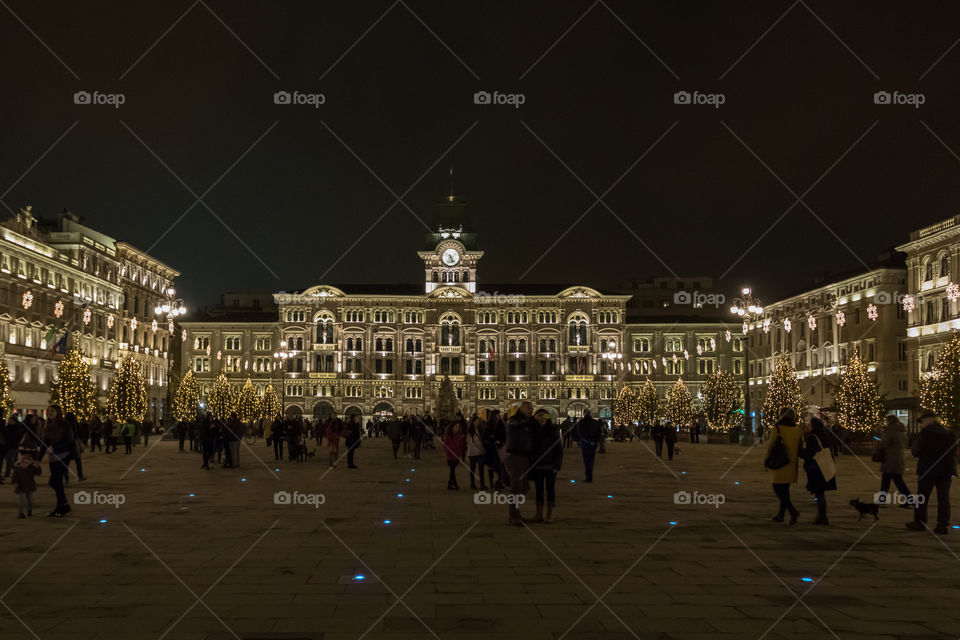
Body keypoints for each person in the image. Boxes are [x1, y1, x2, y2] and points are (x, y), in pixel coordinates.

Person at [907, 411, 957, 534]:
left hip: (928, 469)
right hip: (946, 470)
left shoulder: (925, 434)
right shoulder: (950, 434)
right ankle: (942, 525)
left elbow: (915, 451)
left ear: (926, 421)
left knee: (922, 497)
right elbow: (954, 452)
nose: (920, 425)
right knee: (943, 498)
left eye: (921, 422)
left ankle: (919, 522)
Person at [766, 408, 803, 524]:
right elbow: (800, 448)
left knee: (777, 488)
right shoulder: (798, 430)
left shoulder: (777, 429)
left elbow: (770, 446)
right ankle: (781, 515)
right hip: (791, 464)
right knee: (785, 490)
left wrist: (766, 461)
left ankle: (792, 511)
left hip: (779, 463)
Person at [800, 416, 837, 525]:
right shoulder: (825, 436)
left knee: (819, 494)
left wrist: (800, 451)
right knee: (820, 493)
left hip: (816, 468)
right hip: (825, 467)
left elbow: (808, 454)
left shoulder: (812, 437)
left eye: (809, 424)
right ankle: (822, 516)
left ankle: (822, 517)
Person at [505, 401, 536, 525]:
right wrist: (532, 420)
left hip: (524, 456)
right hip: (515, 456)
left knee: (522, 488)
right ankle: (513, 516)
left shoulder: (527, 422)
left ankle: (516, 513)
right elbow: (516, 424)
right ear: (522, 408)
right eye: (529, 408)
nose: (531, 410)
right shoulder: (514, 420)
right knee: (515, 487)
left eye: (532, 408)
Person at [39, 405, 73, 517]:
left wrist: (54, 447)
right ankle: (63, 505)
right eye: (48, 411)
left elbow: (69, 440)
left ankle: (62, 506)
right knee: (55, 482)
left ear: (58, 412)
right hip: (53, 458)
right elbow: (44, 444)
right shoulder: (47, 425)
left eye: (52, 411)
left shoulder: (65, 424)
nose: (50, 413)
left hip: (63, 456)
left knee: (55, 482)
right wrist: (38, 459)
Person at [530, 409, 562, 523]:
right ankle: (539, 514)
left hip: (550, 465)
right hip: (537, 465)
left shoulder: (553, 430)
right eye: (540, 416)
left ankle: (549, 515)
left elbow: (559, 449)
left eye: (544, 416)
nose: (542, 418)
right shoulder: (533, 430)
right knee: (538, 490)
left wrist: (557, 466)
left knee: (550, 489)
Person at [877, 415, 913, 508]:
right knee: (895, 480)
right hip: (899, 458)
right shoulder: (902, 432)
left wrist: (879, 443)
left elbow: (884, 444)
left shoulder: (890, 431)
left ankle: (882, 500)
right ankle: (909, 499)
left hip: (890, 459)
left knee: (888, 481)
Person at [12, 442, 41, 518]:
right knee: (22, 501)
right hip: (21, 487)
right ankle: (21, 513)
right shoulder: (18, 469)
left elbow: (38, 472)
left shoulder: (31, 469)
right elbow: (14, 477)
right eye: (23, 462)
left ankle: (29, 510)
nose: (24, 464)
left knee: (30, 501)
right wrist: (14, 481)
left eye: (27, 462)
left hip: (30, 487)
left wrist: (36, 466)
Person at [577, 410, 602, 482]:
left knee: (586, 461)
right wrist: (594, 441)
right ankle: (590, 477)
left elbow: (581, 433)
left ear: (584, 414)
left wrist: (587, 441)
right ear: (591, 414)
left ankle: (588, 477)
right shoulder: (595, 422)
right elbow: (599, 433)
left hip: (585, 445)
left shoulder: (582, 422)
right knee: (591, 461)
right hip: (593, 445)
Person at [484, 410, 505, 490]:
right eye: (497, 414)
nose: (499, 416)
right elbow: (486, 436)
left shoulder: (501, 424)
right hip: (491, 448)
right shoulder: (489, 425)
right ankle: (491, 482)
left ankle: (500, 482)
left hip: (499, 448)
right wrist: (492, 439)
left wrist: (501, 441)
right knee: (491, 466)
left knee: (500, 467)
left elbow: (504, 435)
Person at [443, 419, 466, 490]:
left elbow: (461, 446)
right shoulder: (448, 435)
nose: (457, 428)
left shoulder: (460, 435)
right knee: (452, 469)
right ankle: (454, 483)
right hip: (450, 455)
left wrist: (460, 453)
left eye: (458, 427)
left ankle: (450, 484)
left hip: (457, 455)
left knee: (452, 470)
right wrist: (448, 453)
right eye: (456, 427)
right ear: (452, 427)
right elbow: (445, 445)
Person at [466, 416, 486, 490]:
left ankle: (482, 484)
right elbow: (469, 442)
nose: (478, 422)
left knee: (481, 469)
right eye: (476, 421)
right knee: (472, 469)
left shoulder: (481, 429)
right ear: (473, 422)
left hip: (481, 453)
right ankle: (472, 483)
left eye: (478, 421)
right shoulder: (470, 431)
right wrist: (479, 447)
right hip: (473, 453)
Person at [2, 415, 24, 481]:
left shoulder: (17, 428)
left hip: (14, 446)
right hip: (7, 446)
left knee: (10, 460)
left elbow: (19, 437)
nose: (10, 422)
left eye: (12, 421)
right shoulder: (6, 428)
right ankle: (15, 473)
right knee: (9, 460)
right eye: (9, 420)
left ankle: (8, 473)